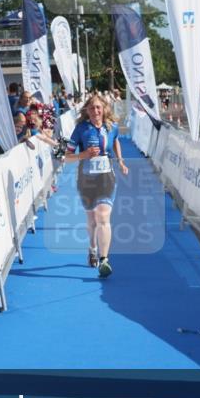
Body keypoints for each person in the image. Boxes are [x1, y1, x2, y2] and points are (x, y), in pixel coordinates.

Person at [65, 94, 129, 278]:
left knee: (103, 217)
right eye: (92, 108)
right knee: (92, 221)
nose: (95, 111)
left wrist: (121, 161)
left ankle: (104, 260)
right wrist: (83, 154)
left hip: (106, 178)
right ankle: (92, 248)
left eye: (98, 107)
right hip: (86, 180)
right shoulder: (81, 129)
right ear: (87, 110)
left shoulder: (112, 127)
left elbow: (115, 140)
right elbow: (67, 157)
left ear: (104, 109)